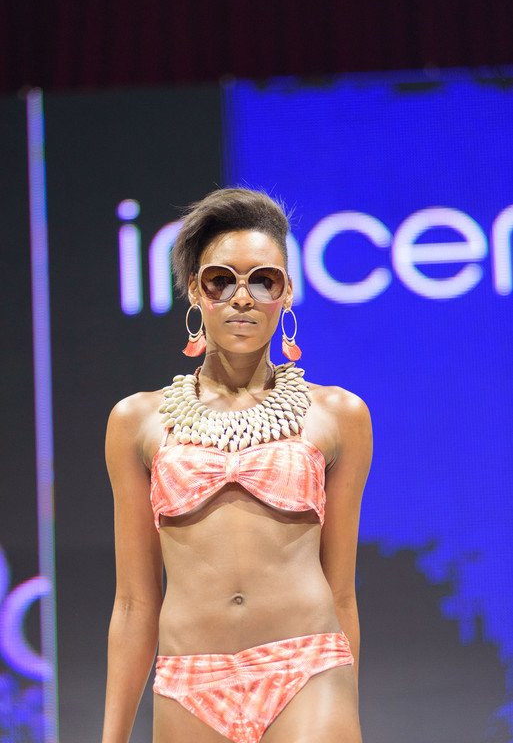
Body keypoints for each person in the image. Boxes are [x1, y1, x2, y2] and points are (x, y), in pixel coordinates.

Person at [101, 187, 373, 743]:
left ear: (287, 292)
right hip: (187, 682)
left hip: (308, 669)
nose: (242, 298)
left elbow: (342, 591)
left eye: (263, 280)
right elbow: (133, 603)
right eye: (220, 281)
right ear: (194, 292)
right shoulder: (136, 422)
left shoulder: (339, 415)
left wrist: (348, 699)